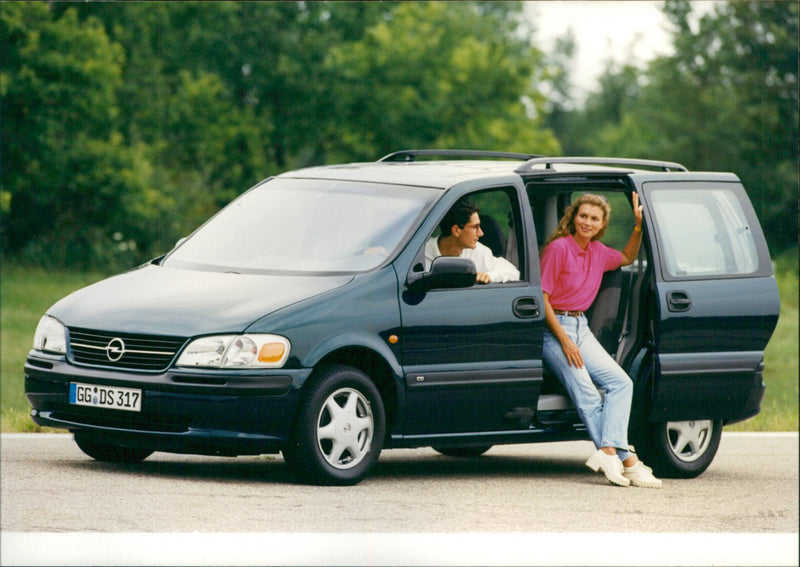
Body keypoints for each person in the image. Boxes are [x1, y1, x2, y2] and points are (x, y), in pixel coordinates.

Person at [540, 192, 662, 488]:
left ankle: (609, 453)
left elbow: (627, 257)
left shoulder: (599, 252)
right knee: (588, 395)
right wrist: (564, 341)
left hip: (580, 326)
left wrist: (638, 226)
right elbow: (542, 300)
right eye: (583, 216)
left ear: (602, 224)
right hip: (554, 329)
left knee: (622, 383)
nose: (587, 222)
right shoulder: (558, 248)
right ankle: (628, 461)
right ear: (573, 218)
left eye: (594, 218)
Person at [425, 200, 519, 284]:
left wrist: (489, 276)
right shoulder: (421, 253)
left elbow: (512, 272)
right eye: (476, 227)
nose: (481, 233)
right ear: (456, 230)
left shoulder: (478, 251)